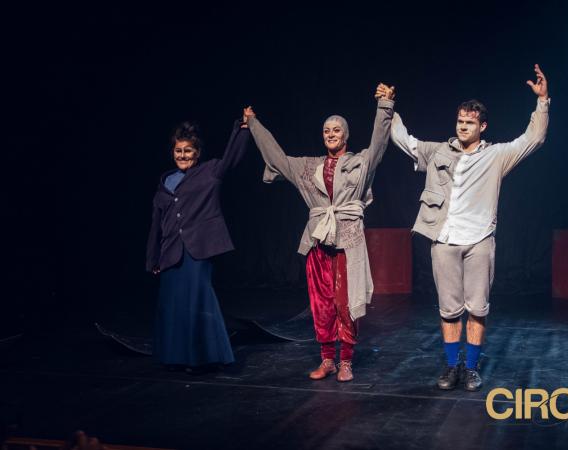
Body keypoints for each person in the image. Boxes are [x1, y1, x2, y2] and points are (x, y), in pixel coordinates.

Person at [390, 64, 550, 390]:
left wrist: (542, 101)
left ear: (482, 126)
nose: (463, 126)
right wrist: (387, 107)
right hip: (444, 239)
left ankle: (472, 367)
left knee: (477, 309)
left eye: (470, 122)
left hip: (479, 240)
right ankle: (452, 367)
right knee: (449, 310)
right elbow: (403, 140)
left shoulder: (496, 155)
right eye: (460, 121)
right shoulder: (438, 151)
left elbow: (533, 138)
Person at [245, 83, 395, 382]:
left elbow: (379, 143)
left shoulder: (359, 163)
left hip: (347, 240)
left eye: (336, 130)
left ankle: (346, 361)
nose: (331, 134)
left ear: (346, 135)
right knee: (322, 304)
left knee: (345, 303)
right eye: (327, 130)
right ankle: (327, 359)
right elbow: (277, 158)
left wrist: (385, 106)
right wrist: (253, 124)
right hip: (317, 242)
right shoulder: (308, 167)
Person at [145, 115, 250, 373]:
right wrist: (153, 258)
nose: (182, 155)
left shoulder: (209, 171)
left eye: (188, 150)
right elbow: (156, 225)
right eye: (178, 151)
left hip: (198, 251)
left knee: (197, 301)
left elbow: (231, 158)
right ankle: (174, 357)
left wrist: (242, 129)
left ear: (197, 152)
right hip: (170, 252)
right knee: (173, 304)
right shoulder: (165, 182)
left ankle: (201, 357)